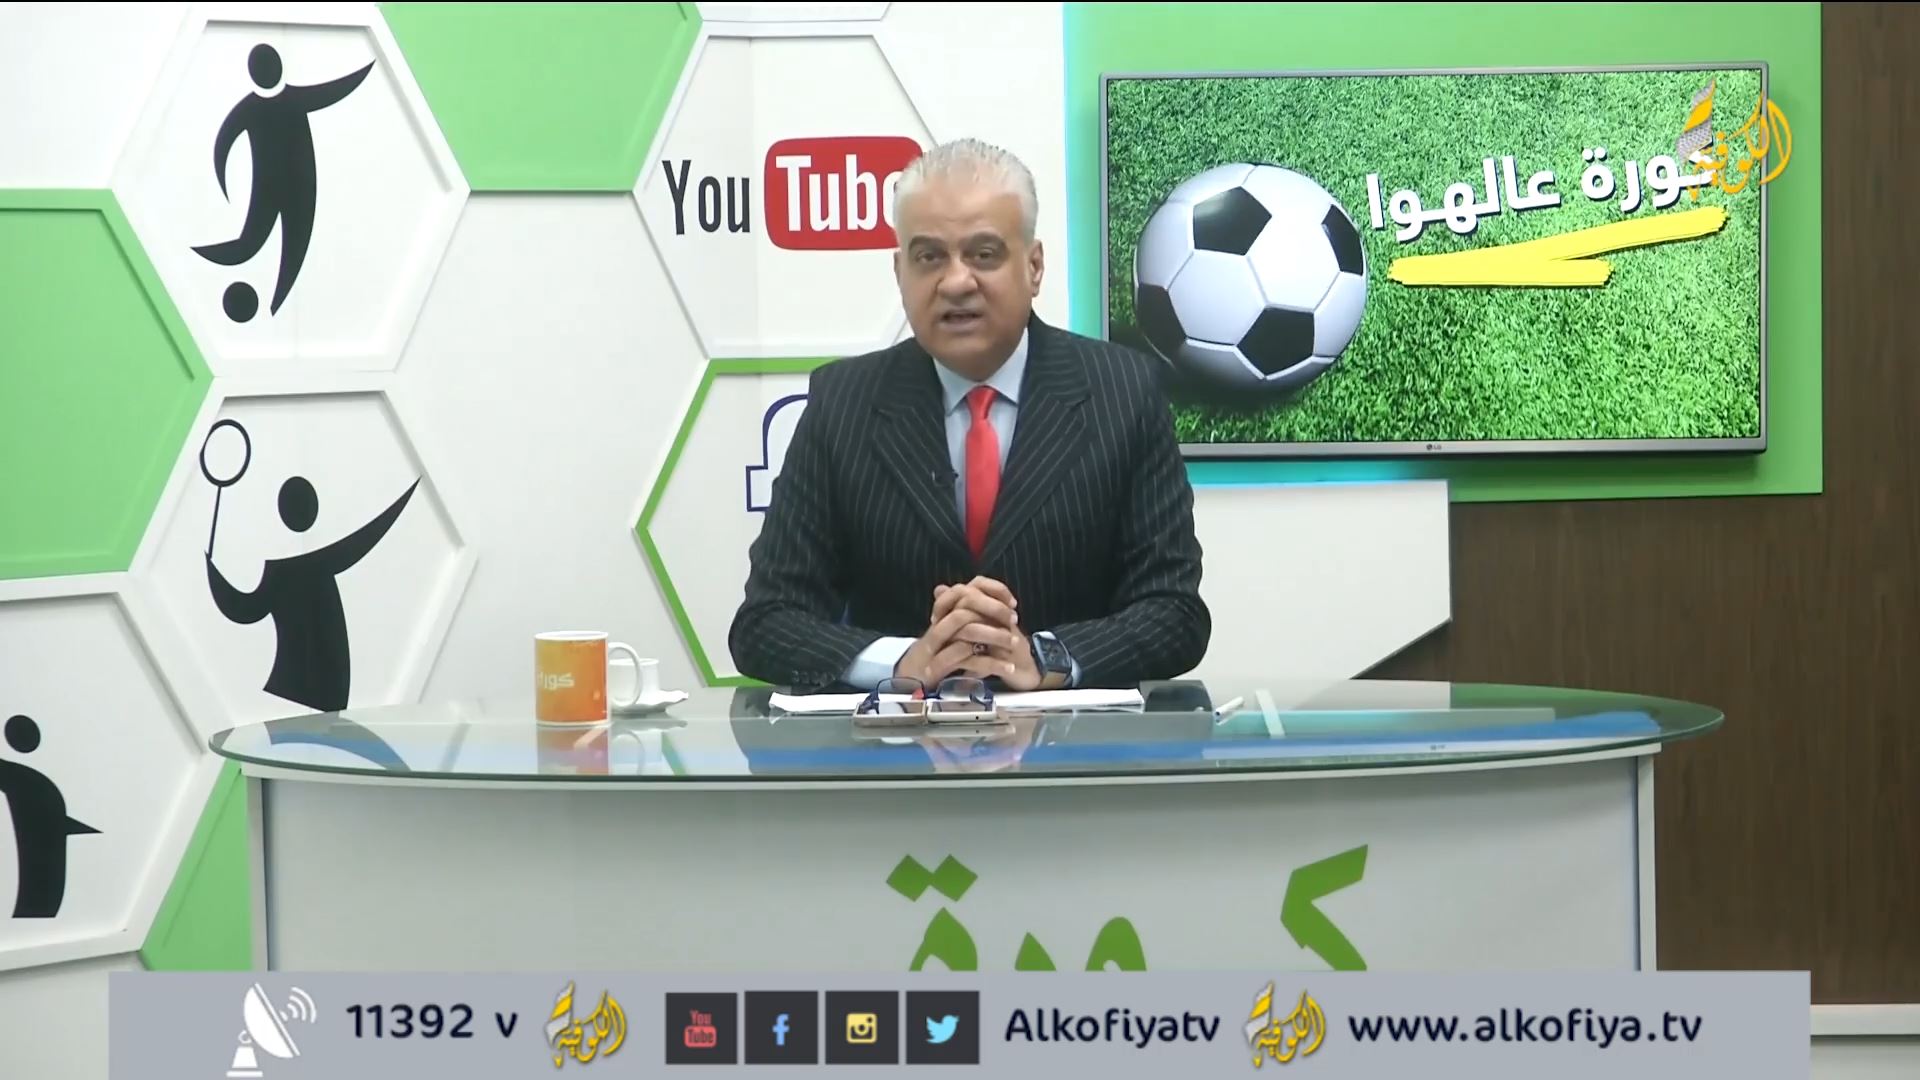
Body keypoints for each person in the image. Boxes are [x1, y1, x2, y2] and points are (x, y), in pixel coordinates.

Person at [727, 138, 1209, 693]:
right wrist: (904, 662)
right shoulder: (843, 402)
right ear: (900, 272)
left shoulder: (1125, 392)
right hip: (897, 741)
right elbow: (765, 624)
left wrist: (1044, 658)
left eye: (983, 254)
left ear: (1034, 267)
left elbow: (1175, 613)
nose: (956, 282)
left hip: (1072, 741)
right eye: (929, 257)